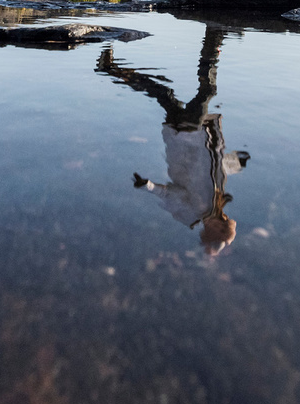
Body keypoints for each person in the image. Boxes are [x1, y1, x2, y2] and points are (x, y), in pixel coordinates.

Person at [96, 26, 249, 255]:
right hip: (192, 133)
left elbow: (168, 194)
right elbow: (215, 168)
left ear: (214, 228)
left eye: (223, 224)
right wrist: (237, 162)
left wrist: (147, 186)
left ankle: (214, 36)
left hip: (187, 136)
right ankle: (108, 67)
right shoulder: (216, 203)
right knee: (163, 92)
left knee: (206, 91)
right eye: (227, 222)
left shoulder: (193, 211)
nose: (226, 218)